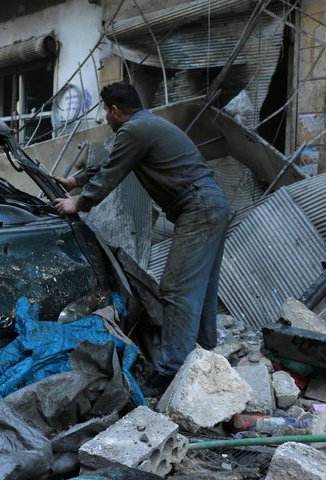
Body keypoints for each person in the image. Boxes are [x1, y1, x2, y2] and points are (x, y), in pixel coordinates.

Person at [52, 82, 230, 397]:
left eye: (105, 111)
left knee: (177, 290)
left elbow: (112, 172)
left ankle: (169, 372)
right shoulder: (145, 126)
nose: (104, 117)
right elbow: (112, 162)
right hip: (210, 203)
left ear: (114, 110)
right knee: (201, 290)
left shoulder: (134, 131)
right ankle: (204, 358)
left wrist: (79, 202)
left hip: (198, 207)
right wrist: (75, 181)